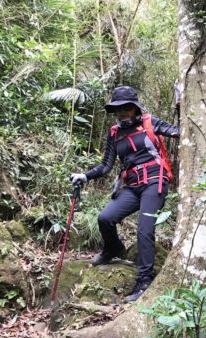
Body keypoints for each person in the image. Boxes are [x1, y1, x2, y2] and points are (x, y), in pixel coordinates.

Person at [70, 86, 179, 302]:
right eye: (118, 109)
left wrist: (181, 106)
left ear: (135, 109)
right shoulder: (114, 133)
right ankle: (113, 248)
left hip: (155, 181)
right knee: (105, 218)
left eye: (126, 109)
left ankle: (144, 280)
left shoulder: (150, 122)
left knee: (144, 230)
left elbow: (178, 132)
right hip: (131, 185)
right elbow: (105, 166)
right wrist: (85, 175)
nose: (122, 113)